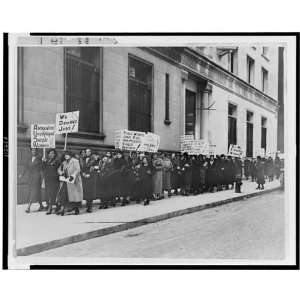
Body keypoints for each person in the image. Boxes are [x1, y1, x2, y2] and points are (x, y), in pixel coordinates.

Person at [57, 151, 83, 215]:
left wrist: (73, 175)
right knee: (63, 194)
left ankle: (76, 209)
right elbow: (59, 169)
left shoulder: (75, 161)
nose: (66, 156)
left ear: (70, 155)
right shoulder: (64, 162)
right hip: (66, 181)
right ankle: (62, 209)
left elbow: (78, 170)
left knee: (75, 196)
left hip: (74, 181)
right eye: (65, 155)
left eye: (67, 155)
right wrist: (61, 173)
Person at [19, 148, 44, 213]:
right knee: (37, 192)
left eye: (35, 150)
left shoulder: (39, 159)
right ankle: (41, 205)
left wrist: (43, 162)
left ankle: (28, 207)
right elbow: (25, 167)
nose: (33, 151)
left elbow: (42, 168)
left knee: (33, 192)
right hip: (30, 178)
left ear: (36, 151)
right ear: (31, 151)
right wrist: (22, 174)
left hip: (37, 178)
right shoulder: (29, 159)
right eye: (32, 150)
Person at [42, 149, 60, 214]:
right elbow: (43, 168)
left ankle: (50, 207)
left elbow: (57, 167)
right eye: (50, 153)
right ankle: (57, 206)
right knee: (48, 193)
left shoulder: (57, 161)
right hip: (47, 179)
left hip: (54, 180)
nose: (51, 154)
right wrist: (43, 162)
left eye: (52, 153)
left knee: (52, 194)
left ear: (55, 154)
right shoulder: (46, 161)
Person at [81, 149, 97, 213]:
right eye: (86, 152)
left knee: (90, 192)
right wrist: (83, 173)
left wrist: (90, 174)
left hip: (91, 178)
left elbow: (96, 168)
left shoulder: (94, 159)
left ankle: (90, 207)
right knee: (86, 192)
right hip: (84, 177)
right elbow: (81, 168)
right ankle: (87, 205)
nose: (87, 153)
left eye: (89, 151)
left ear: (91, 152)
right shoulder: (82, 159)